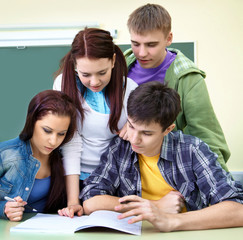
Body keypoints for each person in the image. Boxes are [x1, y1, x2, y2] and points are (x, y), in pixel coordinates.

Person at [80, 81, 243, 232]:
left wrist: (172, 221)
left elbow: (237, 210)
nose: (134, 139)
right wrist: (155, 206)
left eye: (147, 133)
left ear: (168, 129)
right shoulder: (120, 148)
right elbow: (90, 202)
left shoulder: (192, 150)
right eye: (131, 126)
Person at [124, 3, 230, 171]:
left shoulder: (188, 78)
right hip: (126, 166)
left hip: (169, 170)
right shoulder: (118, 68)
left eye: (151, 44)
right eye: (135, 43)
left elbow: (207, 137)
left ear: (169, 38)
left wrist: (222, 188)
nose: (142, 53)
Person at [53, 28, 138, 217]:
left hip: (116, 182)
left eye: (102, 72)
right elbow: (71, 142)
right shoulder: (63, 84)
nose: (94, 81)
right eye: (85, 74)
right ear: (75, 66)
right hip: (74, 179)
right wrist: (73, 201)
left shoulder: (131, 89)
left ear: (114, 61)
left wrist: (134, 125)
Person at [0, 90, 77, 221]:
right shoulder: (6, 153)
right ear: (32, 122)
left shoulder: (65, 160)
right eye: (47, 131)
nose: (54, 141)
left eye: (61, 134)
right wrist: (3, 208)